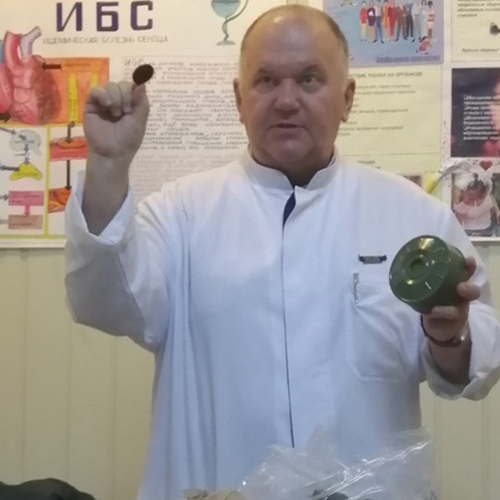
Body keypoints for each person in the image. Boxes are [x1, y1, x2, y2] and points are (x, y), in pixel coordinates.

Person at [64, 5, 500, 500]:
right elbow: (102, 301)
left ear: (347, 98)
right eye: (266, 80)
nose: (286, 100)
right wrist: (107, 166)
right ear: (239, 98)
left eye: (310, 79)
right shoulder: (180, 214)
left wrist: (450, 338)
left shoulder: (413, 217)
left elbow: (476, 363)